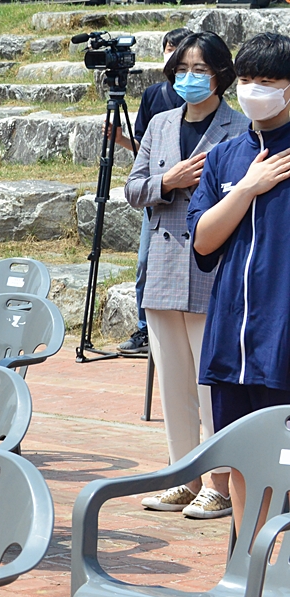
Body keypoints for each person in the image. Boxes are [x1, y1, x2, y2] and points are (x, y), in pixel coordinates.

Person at [124, 31, 245, 521]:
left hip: (212, 269)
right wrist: (165, 183)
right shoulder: (159, 122)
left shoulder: (239, 128)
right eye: (181, 70)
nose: (189, 79)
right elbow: (133, 188)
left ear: (220, 76)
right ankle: (182, 474)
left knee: (209, 384)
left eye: (200, 71)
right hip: (162, 267)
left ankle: (219, 480)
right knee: (172, 380)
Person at [188, 32, 290, 524]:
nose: (254, 90)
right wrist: (247, 189)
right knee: (243, 462)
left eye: (268, 81)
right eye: (247, 79)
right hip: (233, 338)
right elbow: (204, 241)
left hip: (283, 336)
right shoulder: (227, 157)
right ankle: (247, 565)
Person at [116, 26, 191, 357]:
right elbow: (142, 152)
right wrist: (119, 140)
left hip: (194, 196)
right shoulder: (154, 96)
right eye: (169, 48)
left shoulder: (204, 97)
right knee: (146, 263)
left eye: (179, 48)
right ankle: (146, 329)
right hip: (159, 197)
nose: (172, 54)